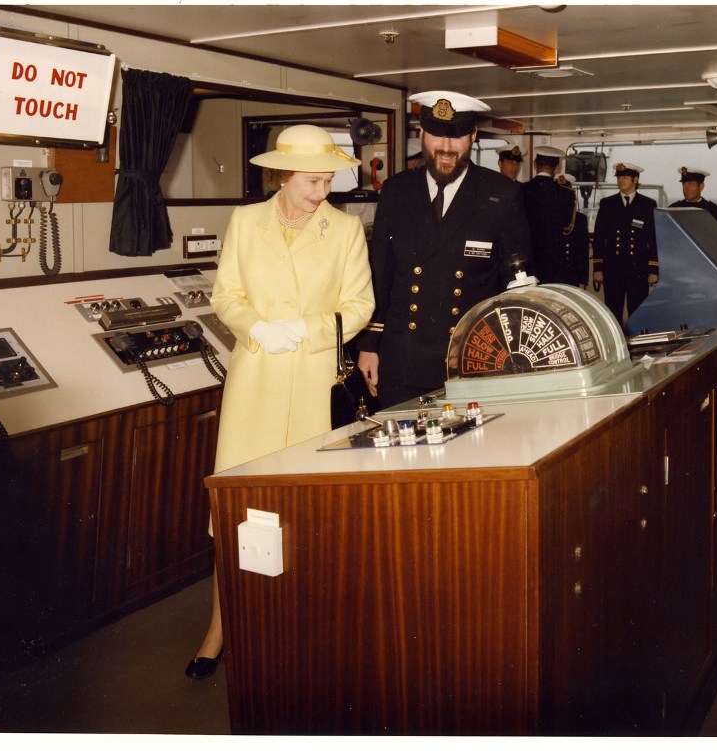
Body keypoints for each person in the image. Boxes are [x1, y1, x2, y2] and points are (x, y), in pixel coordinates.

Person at [185, 124, 375, 679]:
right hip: (256, 381)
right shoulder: (245, 222)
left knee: (306, 510)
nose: (323, 191)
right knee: (234, 508)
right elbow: (227, 295)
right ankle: (219, 628)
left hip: (316, 382)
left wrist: (306, 328)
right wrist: (257, 329)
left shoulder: (343, 231)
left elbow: (358, 305)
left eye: (328, 181)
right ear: (283, 176)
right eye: (313, 181)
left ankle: (304, 627)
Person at [354, 90, 534, 408]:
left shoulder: (501, 194)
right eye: (436, 135)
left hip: (471, 358)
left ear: (473, 136)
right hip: (402, 356)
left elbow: (516, 285)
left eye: (458, 136)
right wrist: (369, 345)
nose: (446, 147)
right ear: (422, 133)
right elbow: (380, 273)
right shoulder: (396, 191)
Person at [592, 162, 659, 328]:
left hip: (638, 270)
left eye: (624, 177)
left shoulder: (648, 205)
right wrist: (598, 268)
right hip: (613, 268)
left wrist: (653, 269)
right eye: (619, 177)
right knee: (612, 312)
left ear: (635, 179)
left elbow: (653, 239)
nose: (620, 180)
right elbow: (599, 237)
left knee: (638, 313)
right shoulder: (607, 204)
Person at [522, 146, 589, 287]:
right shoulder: (567, 194)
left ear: (534, 164)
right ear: (557, 167)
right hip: (557, 266)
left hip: (528, 264)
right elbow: (568, 229)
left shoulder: (521, 190)